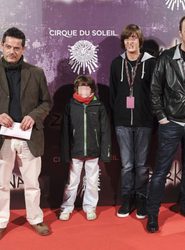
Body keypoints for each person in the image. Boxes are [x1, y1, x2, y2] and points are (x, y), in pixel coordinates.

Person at [146, 15, 185, 233]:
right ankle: (152, 215)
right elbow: (154, 91)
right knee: (161, 170)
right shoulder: (165, 58)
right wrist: (162, 117)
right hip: (171, 123)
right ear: (180, 33)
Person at [0, 27, 52, 238]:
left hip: (28, 136)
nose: (12, 51)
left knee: (32, 183)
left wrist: (34, 116)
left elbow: (46, 103)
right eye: (8, 47)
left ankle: (36, 219)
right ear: (2, 46)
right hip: (2, 138)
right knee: (0, 184)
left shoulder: (36, 72)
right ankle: (1, 220)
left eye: (17, 48)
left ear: (23, 49)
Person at [109, 24, 156, 219]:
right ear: (124, 42)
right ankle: (127, 199)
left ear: (140, 41)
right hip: (122, 122)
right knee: (127, 165)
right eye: (127, 39)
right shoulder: (116, 64)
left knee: (142, 165)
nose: (130, 42)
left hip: (144, 121)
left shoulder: (151, 63)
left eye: (134, 38)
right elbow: (113, 94)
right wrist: (119, 113)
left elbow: (156, 93)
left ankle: (142, 198)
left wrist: (151, 115)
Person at [59, 75, 111, 221]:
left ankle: (90, 207)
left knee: (92, 181)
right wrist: (65, 152)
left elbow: (105, 130)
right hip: (75, 151)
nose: (84, 91)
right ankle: (66, 207)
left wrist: (105, 152)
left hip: (93, 151)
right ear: (76, 89)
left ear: (91, 90)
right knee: (72, 181)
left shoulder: (99, 106)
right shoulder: (71, 106)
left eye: (87, 88)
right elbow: (65, 131)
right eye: (81, 87)